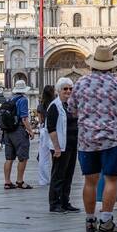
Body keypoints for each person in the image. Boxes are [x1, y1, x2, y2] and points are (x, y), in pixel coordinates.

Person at [67, 46, 117, 232]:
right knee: (111, 180)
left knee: (90, 181)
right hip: (111, 139)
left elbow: (71, 110)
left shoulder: (80, 83)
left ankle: (89, 221)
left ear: (93, 65)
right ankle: (106, 222)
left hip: (86, 139)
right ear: (111, 66)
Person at [47, 77, 79, 213]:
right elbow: (51, 128)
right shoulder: (54, 106)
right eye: (65, 89)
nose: (68, 91)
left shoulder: (70, 105)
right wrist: (57, 148)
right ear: (59, 91)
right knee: (58, 175)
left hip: (72, 145)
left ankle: (65, 202)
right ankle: (54, 204)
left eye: (70, 89)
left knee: (68, 175)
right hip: (60, 147)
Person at [3, 80, 35, 190]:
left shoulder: (10, 99)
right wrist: (30, 131)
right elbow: (24, 118)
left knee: (9, 158)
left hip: (7, 131)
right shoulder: (23, 100)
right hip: (19, 130)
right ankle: (20, 181)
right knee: (23, 157)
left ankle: (7, 182)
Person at [37, 84, 55, 186]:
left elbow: (40, 120)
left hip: (44, 130)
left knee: (43, 156)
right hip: (54, 130)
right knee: (55, 154)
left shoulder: (41, 105)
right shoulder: (55, 103)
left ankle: (44, 179)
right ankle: (55, 176)